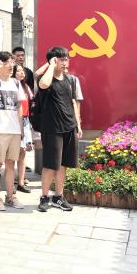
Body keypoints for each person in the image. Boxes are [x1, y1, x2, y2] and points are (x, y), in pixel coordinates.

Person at [37, 47, 82, 213]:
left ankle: (58, 197)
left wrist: (78, 124)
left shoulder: (70, 79)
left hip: (69, 126)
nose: (65, 62)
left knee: (63, 165)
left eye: (66, 59)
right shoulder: (46, 78)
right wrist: (50, 65)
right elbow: (43, 84)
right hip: (52, 128)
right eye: (61, 59)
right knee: (50, 165)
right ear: (53, 61)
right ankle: (44, 197)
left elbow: (73, 102)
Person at [0, 51, 25, 211]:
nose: (11, 65)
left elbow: (19, 106)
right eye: (8, 62)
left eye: (12, 62)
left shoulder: (16, 83)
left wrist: (21, 128)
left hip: (14, 130)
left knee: (11, 164)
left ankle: (10, 196)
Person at [12, 64, 34, 194]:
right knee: (13, 153)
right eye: (18, 71)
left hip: (25, 120)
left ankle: (21, 182)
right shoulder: (12, 85)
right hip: (14, 120)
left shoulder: (26, 86)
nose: (21, 73)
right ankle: (11, 182)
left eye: (22, 71)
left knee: (23, 151)